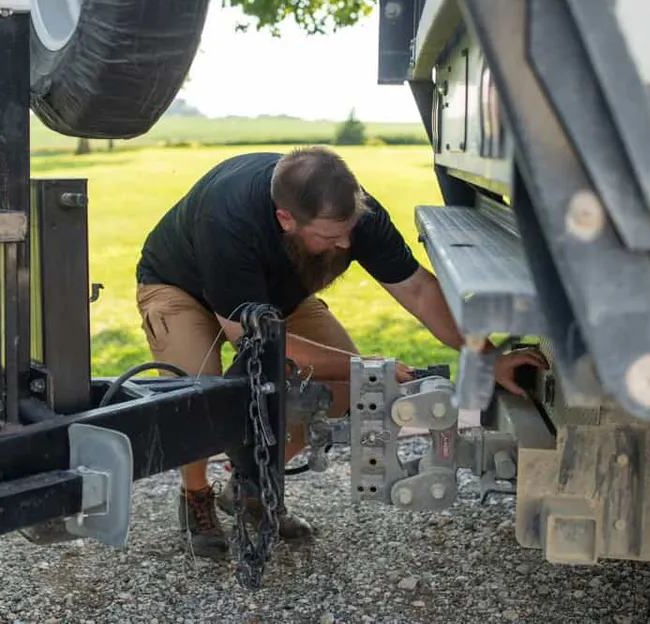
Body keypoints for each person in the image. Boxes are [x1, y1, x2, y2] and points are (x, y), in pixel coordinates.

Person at [134, 146, 546, 558]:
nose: (346, 242)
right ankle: (195, 495)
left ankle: (249, 489)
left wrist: (487, 355)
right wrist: (364, 364)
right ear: (285, 218)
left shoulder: (352, 213)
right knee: (199, 400)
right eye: (331, 237)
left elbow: (418, 290)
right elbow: (258, 344)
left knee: (348, 388)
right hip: (182, 289)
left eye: (348, 229)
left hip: (275, 301)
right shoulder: (228, 221)